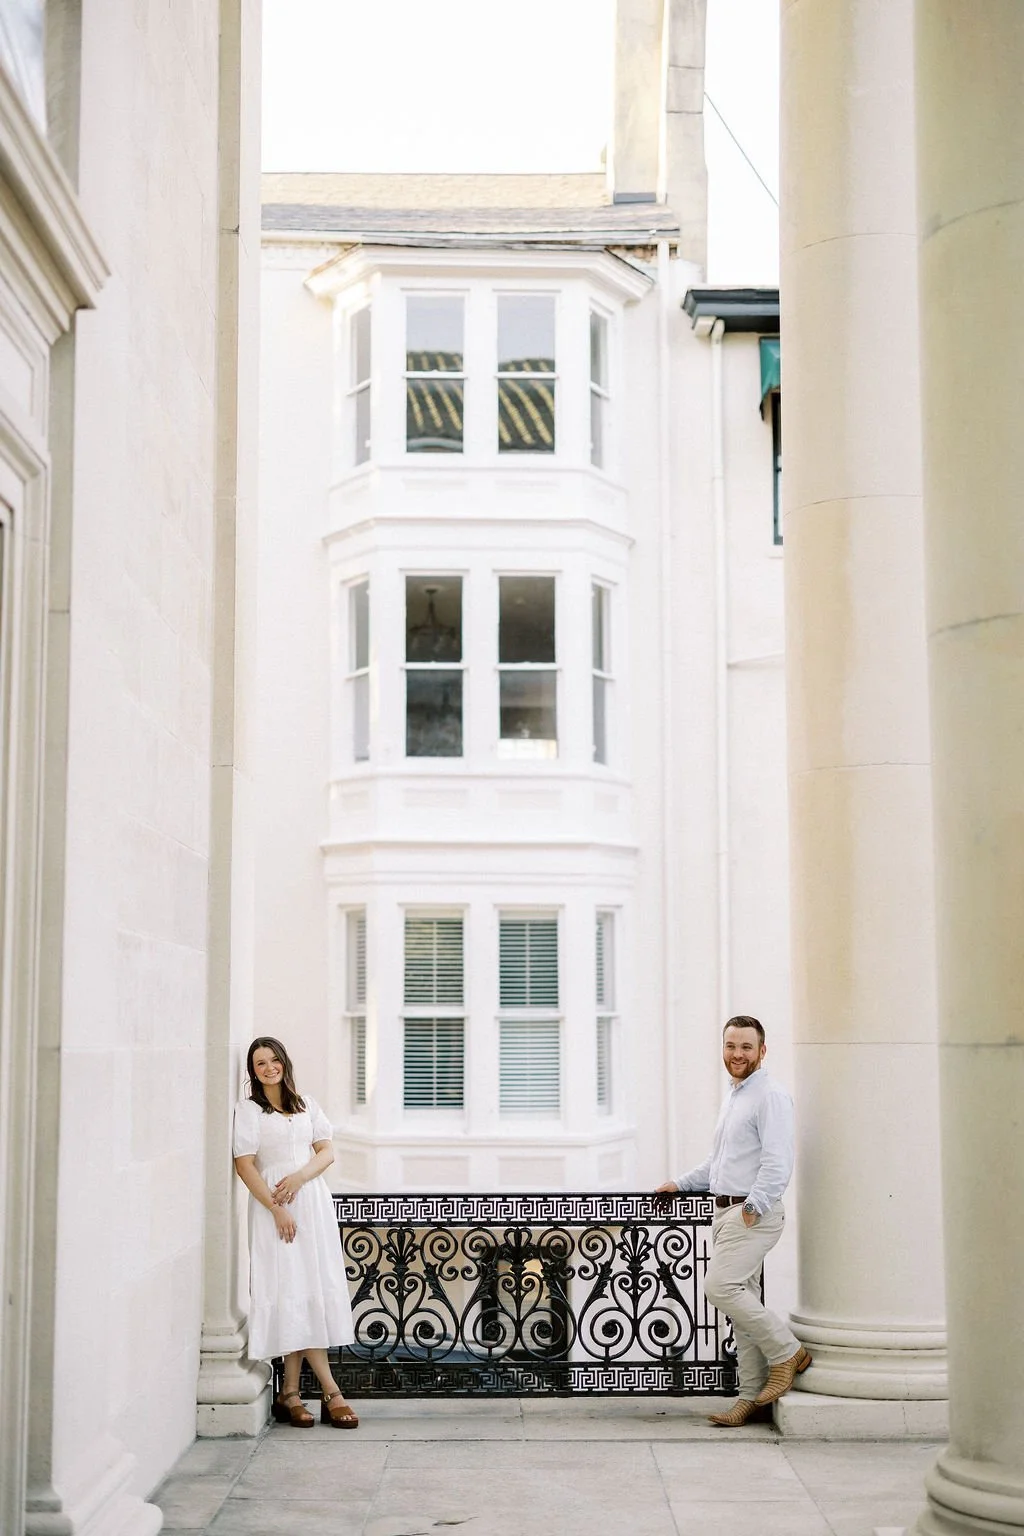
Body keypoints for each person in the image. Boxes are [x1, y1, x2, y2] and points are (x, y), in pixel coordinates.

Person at [656, 1015, 811, 1427]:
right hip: (726, 1212)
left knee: (719, 1287)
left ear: (762, 1050)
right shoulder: (735, 1095)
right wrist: (681, 1183)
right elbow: (720, 1162)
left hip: (751, 1215)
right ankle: (750, 1397)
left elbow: (779, 1162)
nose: (737, 1054)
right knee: (743, 1310)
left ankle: (788, 1353)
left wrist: (751, 1207)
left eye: (746, 1047)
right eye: (731, 1046)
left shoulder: (770, 1096)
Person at [233, 1036, 358, 1428]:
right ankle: (331, 1390)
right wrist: (276, 1208)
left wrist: (301, 1178)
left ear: (284, 1063)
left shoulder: (307, 1105)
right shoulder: (250, 1110)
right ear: (253, 1072)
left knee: (306, 1291)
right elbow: (245, 1165)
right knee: (289, 1288)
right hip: (276, 1209)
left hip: (312, 1204)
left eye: (274, 1060)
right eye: (259, 1063)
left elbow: (327, 1152)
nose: (268, 1067)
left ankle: (290, 1393)